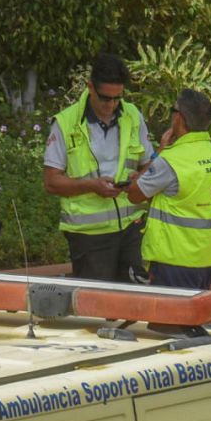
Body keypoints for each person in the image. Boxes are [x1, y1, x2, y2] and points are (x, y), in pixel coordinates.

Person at [43, 53, 155, 282]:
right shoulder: (65, 123)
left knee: (136, 298)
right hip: (89, 236)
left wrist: (140, 178)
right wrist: (91, 186)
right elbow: (51, 182)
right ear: (90, 87)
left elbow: (149, 164)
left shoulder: (133, 115)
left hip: (132, 229)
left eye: (117, 98)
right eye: (105, 98)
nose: (111, 105)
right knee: (96, 301)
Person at [126, 88, 211, 290]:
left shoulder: (171, 159)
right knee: (195, 310)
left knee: (169, 311)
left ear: (179, 117)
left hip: (173, 260)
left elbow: (134, 194)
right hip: (205, 258)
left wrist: (159, 152)